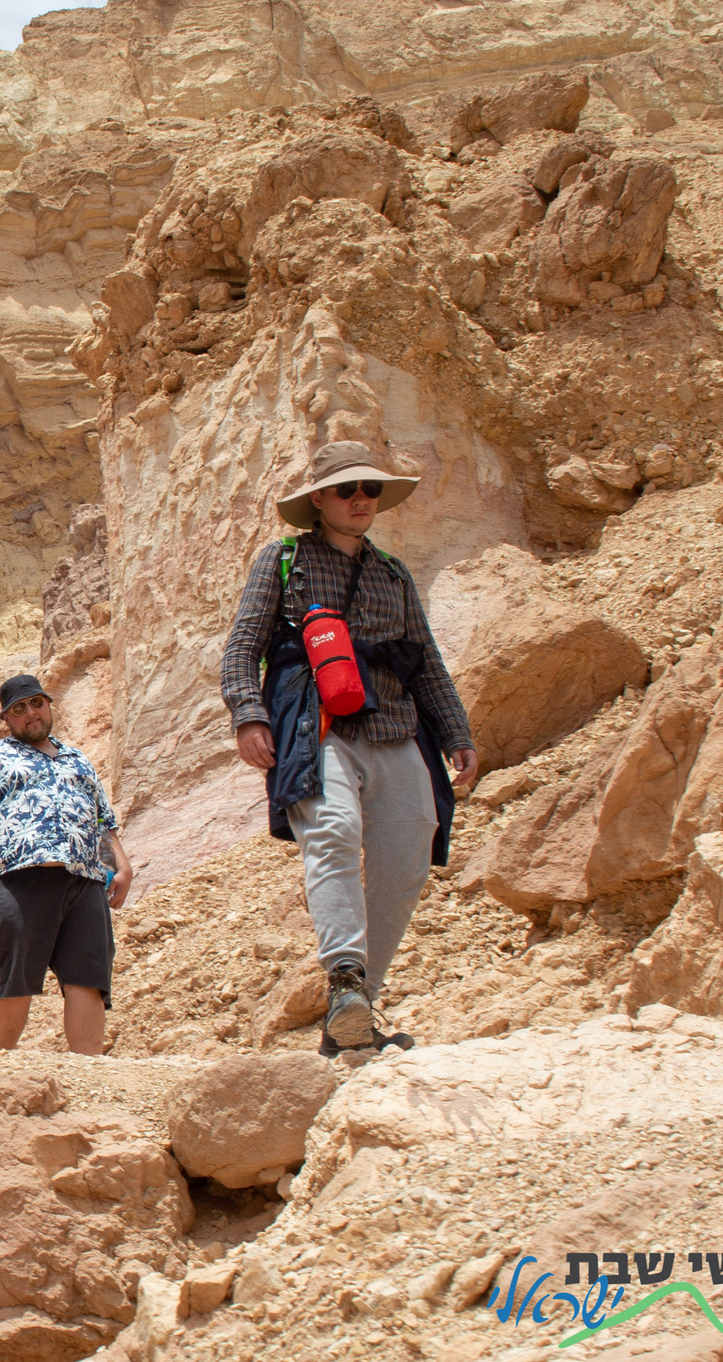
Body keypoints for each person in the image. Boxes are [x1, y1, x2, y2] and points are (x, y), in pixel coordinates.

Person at [221, 441, 477, 1056]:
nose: (361, 500)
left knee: (410, 853)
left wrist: (458, 734)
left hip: (394, 726)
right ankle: (344, 978)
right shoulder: (283, 562)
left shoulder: (393, 573)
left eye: (370, 490)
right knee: (331, 830)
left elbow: (428, 664)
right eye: (346, 490)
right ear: (318, 500)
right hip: (318, 728)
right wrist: (248, 718)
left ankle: (358, 1007)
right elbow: (240, 651)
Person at [0, 676, 130, 1055]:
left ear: (48, 704)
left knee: (89, 978)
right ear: (7, 719)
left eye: (36, 703)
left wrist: (122, 865)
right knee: (17, 978)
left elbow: (101, 821)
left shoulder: (77, 758)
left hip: (85, 880)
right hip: (20, 877)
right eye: (19, 708)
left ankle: (88, 1074)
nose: (30, 713)